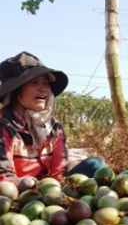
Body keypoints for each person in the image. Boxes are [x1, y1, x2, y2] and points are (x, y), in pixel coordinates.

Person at [0, 51, 107, 186]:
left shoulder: (54, 128)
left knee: (96, 165)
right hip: (17, 192)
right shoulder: (4, 125)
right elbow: (3, 176)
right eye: (34, 82)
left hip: (46, 191)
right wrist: (32, 188)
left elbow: (59, 173)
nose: (43, 88)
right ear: (15, 91)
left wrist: (54, 193)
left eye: (46, 83)